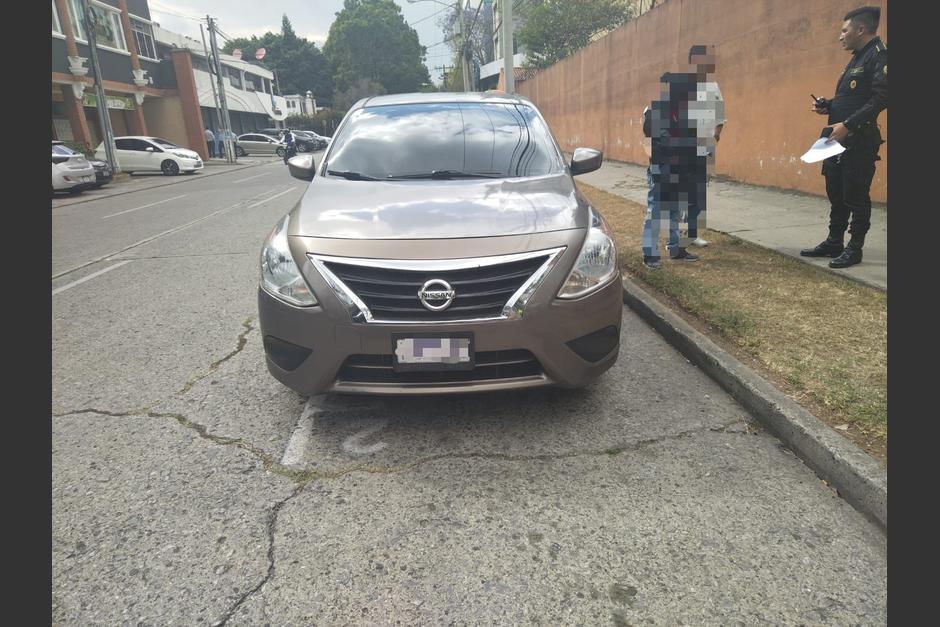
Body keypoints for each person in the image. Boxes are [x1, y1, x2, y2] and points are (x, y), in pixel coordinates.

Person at [801, 6, 886, 269]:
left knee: (856, 195)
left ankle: (854, 248)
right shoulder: (856, 57)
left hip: (859, 139)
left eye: (844, 30)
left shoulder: (879, 56)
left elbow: (882, 97)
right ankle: (834, 241)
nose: (841, 36)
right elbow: (853, 97)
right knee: (835, 192)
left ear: (861, 29)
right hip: (837, 139)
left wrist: (847, 124)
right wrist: (830, 105)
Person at [641, 71, 700, 268]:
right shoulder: (655, 112)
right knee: (655, 214)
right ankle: (650, 255)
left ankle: (677, 249)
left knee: (676, 213)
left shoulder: (686, 115)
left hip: (680, 172)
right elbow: (661, 140)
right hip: (661, 171)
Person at [684, 45, 726, 248]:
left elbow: (720, 115)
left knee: (699, 191)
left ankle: (692, 233)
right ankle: (677, 234)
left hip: (706, 146)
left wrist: (716, 136)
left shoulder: (713, 87)